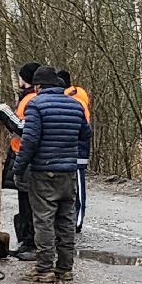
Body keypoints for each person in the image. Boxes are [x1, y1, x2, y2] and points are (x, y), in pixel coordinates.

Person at [12, 66, 91, 283]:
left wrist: (18, 168)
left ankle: (44, 268)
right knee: (65, 221)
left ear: (37, 86)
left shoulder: (35, 105)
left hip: (44, 171)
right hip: (68, 171)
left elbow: (29, 141)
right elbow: (86, 133)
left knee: (44, 220)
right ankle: (65, 268)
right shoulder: (75, 105)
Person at [0, 62, 40, 260]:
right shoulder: (29, 98)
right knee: (25, 200)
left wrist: (5, 114)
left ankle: (30, 242)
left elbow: (23, 127)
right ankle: (27, 241)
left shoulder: (32, 99)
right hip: (22, 153)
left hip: (27, 156)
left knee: (28, 200)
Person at [57, 69, 92, 231]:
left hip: (76, 150)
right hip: (72, 149)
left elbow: (84, 130)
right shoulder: (74, 99)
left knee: (77, 186)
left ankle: (77, 221)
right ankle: (72, 220)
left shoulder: (76, 102)